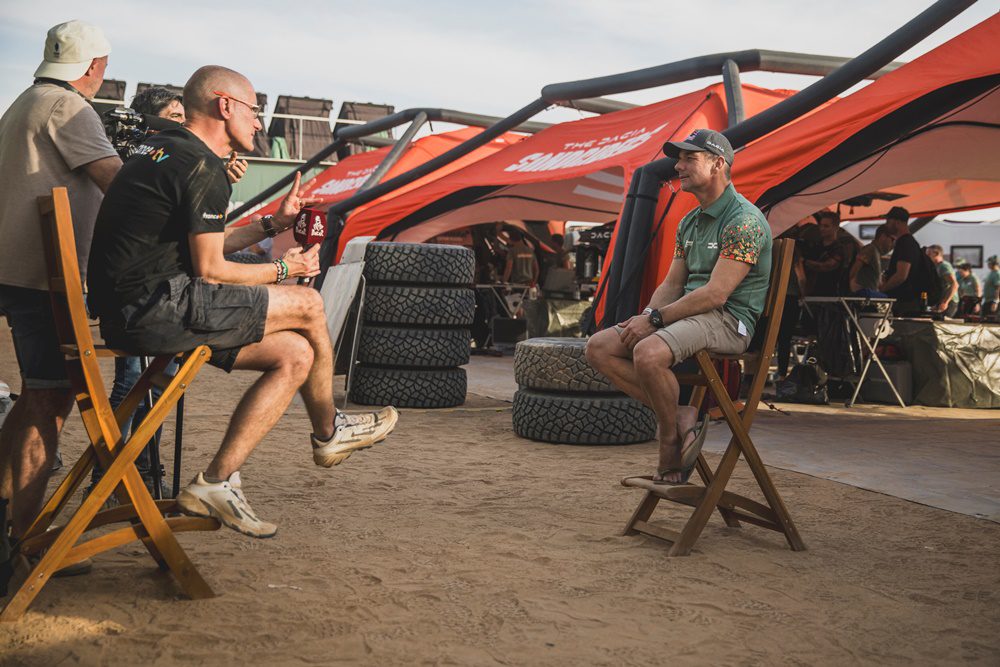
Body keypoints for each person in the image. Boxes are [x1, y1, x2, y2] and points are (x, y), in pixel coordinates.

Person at [86, 66, 398, 539]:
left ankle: (216, 481)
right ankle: (330, 429)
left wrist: (272, 225)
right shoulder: (200, 163)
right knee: (308, 305)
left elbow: (201, 247)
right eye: (253, 111)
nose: (258, 124)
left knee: (295, 353)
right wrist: (285, 270)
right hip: (158, 308)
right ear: (224, 105)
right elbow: (210, 269)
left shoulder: (162, 152)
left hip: (141, 307)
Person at [0, 21, 121, 564]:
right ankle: (23, 545)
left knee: (33, 396)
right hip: (39, 275)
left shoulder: (28, 99)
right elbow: (116, 181)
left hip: (15, 267)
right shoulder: (70, 107)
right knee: (49, 400)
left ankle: (10, 523)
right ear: (94, 67)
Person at [586, 129, 771, 484]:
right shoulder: (689, 221)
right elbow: (672, 285)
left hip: (729, 320)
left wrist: (654, 320)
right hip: (691, 316)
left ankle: (668, 442)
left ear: (718, 164)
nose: (678, 165)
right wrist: (644, 319)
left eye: (690, 158)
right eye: (679, 158)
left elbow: (717, 294)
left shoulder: (744, 221)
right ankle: (681, 414)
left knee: (648, 354)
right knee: (598, 347)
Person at [879, 207, 924, 314]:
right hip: (907, 301)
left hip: (904, 303)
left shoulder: (905, 243)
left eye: (888, 221)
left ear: (897, 222)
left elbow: (901, 275)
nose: (886, 225)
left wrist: (882, 290)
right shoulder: (908, 242)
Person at [802, 211, 847, 296]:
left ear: (836, 228)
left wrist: (803, 261)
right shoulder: (815, 246)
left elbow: (826, 266)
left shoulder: (838, 249)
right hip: (810, 293)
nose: (821, 228)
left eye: (826, 226)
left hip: (829, 295)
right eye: (821, 225)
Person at [849, 224, 895, 295]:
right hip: (865, 296)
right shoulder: (870, 249)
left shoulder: (876, 252)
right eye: (892, 239)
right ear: (883, 237)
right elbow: (854, 269)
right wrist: (854, 289)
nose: (893, 244)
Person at [925, 245, 959, 317]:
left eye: (928, 254)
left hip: (949, 301)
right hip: (942, 300)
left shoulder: (944, 266)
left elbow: (954, 284)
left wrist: (945, 302)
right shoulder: (937, 266)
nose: (927, 257)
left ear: (936, 254)